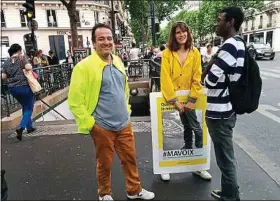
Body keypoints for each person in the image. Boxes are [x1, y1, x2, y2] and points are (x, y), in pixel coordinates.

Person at [68, 23, 155, 201]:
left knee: (130, 159)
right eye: (101, 39)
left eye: (109, 38)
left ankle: (134, 190)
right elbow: (75, 101)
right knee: (105, 163)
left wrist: (127, 110)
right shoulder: (83, 67)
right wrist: (91, 125)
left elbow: (123, 89)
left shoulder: (117, 60)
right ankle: (105, 193)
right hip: (102, 126)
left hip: (124, 123)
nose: (106, 42)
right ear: (93, 43)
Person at [201, 7, 245, 200]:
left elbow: (209, 81)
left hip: (219, 112)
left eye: (220, 20)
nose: (216, 24)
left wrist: (210, 65)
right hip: (226, 110)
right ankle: (229, 191)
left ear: (231, 22)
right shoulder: (239, 43)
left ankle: (231, 197)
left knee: (225, 159)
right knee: (225, 157)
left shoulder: (229, 46)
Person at [160, 21, 212, 182]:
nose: (181, 35)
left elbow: (197, 76)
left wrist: (191, 100)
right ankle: (166, 165)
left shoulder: (195, 52)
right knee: (188, 126)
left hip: (190, 99)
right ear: (173, 35)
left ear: (188, 33)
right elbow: (165, 77)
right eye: (178, 32)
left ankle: (197, 161)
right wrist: (174, 101)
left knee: (196, 128)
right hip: (172, 99)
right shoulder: (167, 53)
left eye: (184, 32)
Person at [1, 44, 36, 141]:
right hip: (24, 86)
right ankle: (21, 127)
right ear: (19, 50)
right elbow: (28, 67)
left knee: (25, 106)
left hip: (12, 89)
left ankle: (29, 128)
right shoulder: (22, 58)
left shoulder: (6, 62)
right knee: (29, 107)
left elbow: (3, 77)